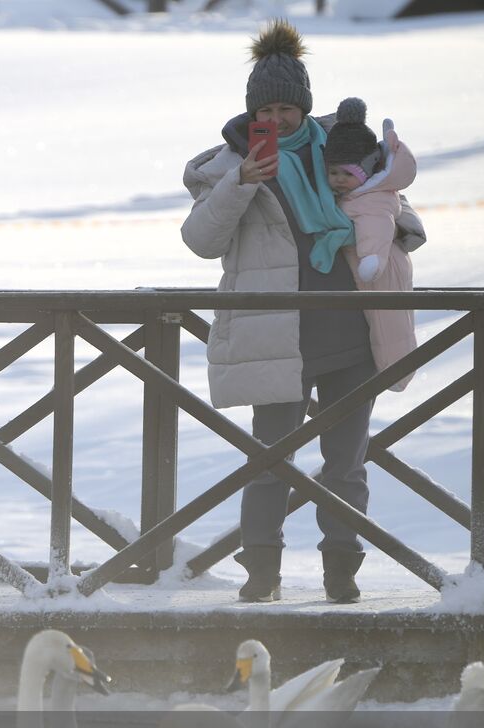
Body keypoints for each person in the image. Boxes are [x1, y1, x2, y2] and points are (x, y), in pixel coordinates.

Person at [179, 20, 425, 604]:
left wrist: (379, 225)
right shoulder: (224, 167)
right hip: (277, 337)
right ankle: (260, 574)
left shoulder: (343, 146)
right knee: (268, 461)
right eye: (269, 108)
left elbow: (403, 217)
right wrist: (241, 182)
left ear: (306, 107)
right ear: (252, 111)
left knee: (346, 464)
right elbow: (200, 239)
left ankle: (342, 573)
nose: (280, 119)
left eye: (290, 107)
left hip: (350, 332)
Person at [323, 96, 419, 391]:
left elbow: (377, 226)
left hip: (380, 268)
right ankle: (396, 371)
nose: (339, 180)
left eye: (347, 173)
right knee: (386, 323)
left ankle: (397, 374)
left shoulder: (373, 197)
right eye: (333, 172)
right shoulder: (357, 194)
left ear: (365, 170)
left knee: (387, 324)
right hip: (375, 264)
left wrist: (371, 260)